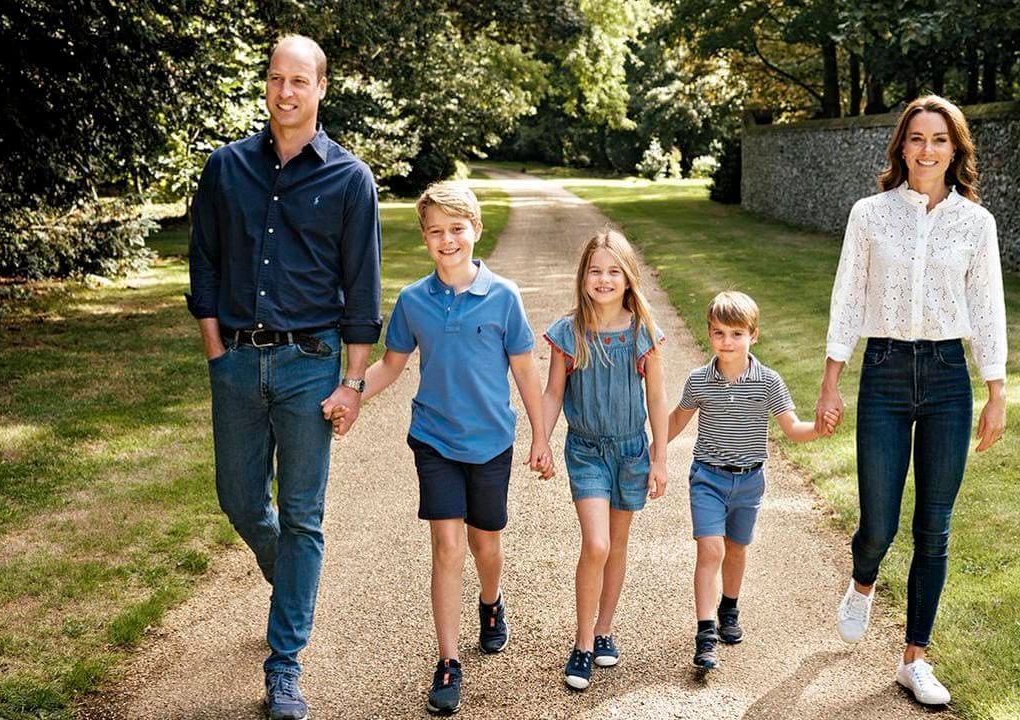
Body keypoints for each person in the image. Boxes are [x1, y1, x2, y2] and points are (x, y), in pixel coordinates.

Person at [185, 35, 381, 720]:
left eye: (300, 80)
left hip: (309, 365)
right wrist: (216, 352)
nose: (286, 92)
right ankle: (290, 583)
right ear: (266, 85)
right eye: (276, 79)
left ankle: (285, 667)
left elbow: (362, 290)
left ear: (322, 88)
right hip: (236, 361)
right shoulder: (226, 168)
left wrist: (352, 383)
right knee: (240, 499)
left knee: (303, 515)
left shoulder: (351, 179)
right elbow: (203, 264)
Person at [816, 94, 1007, 706]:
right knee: (879, 523)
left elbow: (987, 310)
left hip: (950, 376)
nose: (928, 150)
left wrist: (995, 390)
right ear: (901, 145)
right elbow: (848, 296)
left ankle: (915, 658)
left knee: (934, 526)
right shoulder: (869, 214)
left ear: (956, 150)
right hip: (885, 371)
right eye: (917, 138)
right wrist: (830, 379)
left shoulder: (975, 224)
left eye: (940, 140)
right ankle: (863, 580)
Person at [335, 181, 551, 715]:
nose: (447, 240)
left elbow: (525, 368)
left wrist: (541, 435)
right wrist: (352, 392)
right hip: (434, 439)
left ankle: (492, 601)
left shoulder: (504, 297)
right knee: (448, 546)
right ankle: (449, 660)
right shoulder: (412, 301)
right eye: (436, 232)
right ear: (425, 238)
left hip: (491, 441)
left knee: (486, 545)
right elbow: (392, 364)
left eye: (457, 229)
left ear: (476, 231)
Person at [664, 291, 834, 671]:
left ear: (753, 335)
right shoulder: (698, 381)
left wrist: (818, 430)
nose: (727, 342)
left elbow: (791, 428)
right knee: (711, 551)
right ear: (709, 334)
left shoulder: (768, 381)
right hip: (707, 478)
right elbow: (675, 421)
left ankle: (729, 607)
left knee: (737, 549)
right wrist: (652, 452)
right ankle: (705, 634)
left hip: (750, 482)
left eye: (736, 334)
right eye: (719, 333)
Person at [541, 229, 669, 691]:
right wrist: (541, 437)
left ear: (628, 278)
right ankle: (581, 643)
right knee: (595, 545)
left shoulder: (642, 332)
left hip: (632, 451)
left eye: (614, 271)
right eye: (595, 270)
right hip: (587, 451)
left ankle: (604, 628)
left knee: (616, 545)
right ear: (583, 277)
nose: (603, 278)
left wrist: (659, 456)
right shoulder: (568, 332)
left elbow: (656, 397)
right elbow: (554, 391)